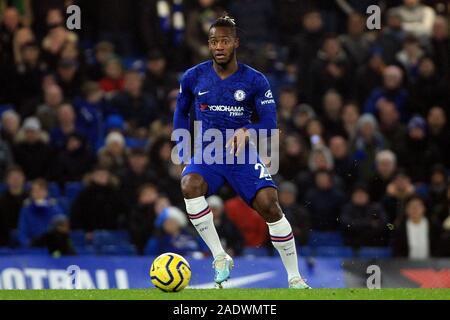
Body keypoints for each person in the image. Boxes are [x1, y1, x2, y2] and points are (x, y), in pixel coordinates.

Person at [173, 15, 310, 288]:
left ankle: (295, 278)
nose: (219, 46)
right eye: (213, 41)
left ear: (235, 42)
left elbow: (270, 122)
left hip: (242, 156)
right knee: (189, 185)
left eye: (224, 40)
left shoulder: (255, 81)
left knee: (270, 205)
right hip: (209, 153)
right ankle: (220, 256)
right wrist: (182, 149)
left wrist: (247, 130)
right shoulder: (193, 77)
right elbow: (180, 113)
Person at [17, 179, 64, 247]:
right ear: (31, 194)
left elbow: (62, 230)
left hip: (51, 247)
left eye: (41, 190)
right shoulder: (25, 210)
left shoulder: (55, 208)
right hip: (32, 248)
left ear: (47, 192)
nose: (38, 193)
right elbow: (22, 233)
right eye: (35, 191)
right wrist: (29, 244)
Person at [0, 166, 28, 246]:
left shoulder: (30, 199)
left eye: (18, 176)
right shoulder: (1, 201)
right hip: (5, 239)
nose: (16, 179)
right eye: (12, 177)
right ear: (7, 180)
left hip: (26, 238)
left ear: (23, 178)